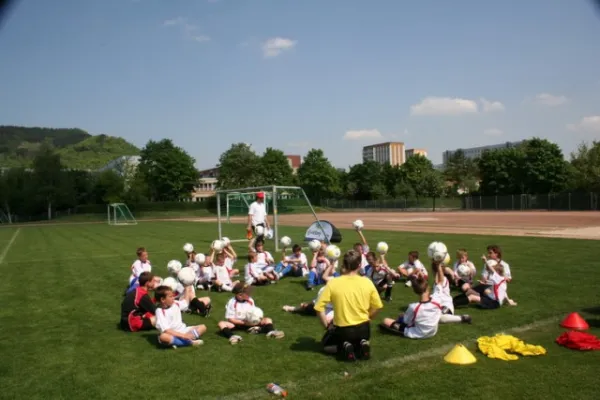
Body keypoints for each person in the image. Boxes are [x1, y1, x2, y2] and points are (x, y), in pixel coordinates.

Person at [314, 250, 383, 362]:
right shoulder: (367, 282)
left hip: (344, 330)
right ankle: (361, 343)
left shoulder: (333, 283)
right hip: (364, 328)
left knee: (325, 345)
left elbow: (318, 308)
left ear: (344, 264)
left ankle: (345, 346)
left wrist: (327, 326)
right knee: (359, 336)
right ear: (360, 265)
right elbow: (378, 306)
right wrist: (369, 317)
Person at [217, 283, 285, 345]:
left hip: (250, 322)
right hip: (238, 324)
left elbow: (254, 312)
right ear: (240, 295)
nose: (250, 294)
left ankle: (271, 332)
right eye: (248, 293)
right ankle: (232, 336)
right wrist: (244, 323)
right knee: (221, 323)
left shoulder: (250, 300)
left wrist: (257, 318)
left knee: (268, 319)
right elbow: (230, 319)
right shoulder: (232, 302)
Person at [379, 274, 442, 339]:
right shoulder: (436, 300)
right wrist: (438, 269)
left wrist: (401, 317)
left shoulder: (414, 307)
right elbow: (439, 284)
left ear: (415, 291)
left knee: (386, 320)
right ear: (427, 288)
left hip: (417, 333)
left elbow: (406, 322)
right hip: (432, 332)